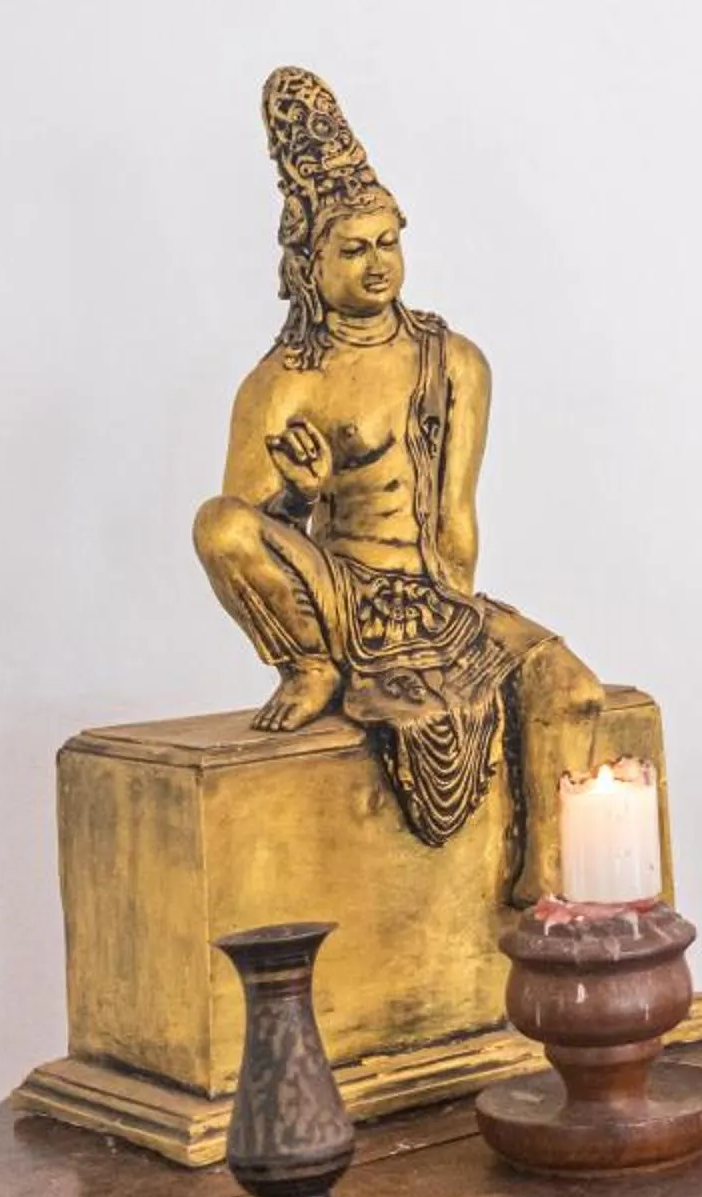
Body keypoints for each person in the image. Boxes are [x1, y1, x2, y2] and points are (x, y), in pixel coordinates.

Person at [194, 68, 606, 905]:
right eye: (353, 249)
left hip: (433, 594)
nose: (377, 263)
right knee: (217, 523)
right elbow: (247, 530)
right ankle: (309, 667)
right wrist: (301, 500)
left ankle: (545, 899)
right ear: (310, 262)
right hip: (339, 595)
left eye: (388, 242)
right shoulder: (285, 380)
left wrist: (451, 634)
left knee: (574, 690)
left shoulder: (452, 362)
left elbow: (456, 520)